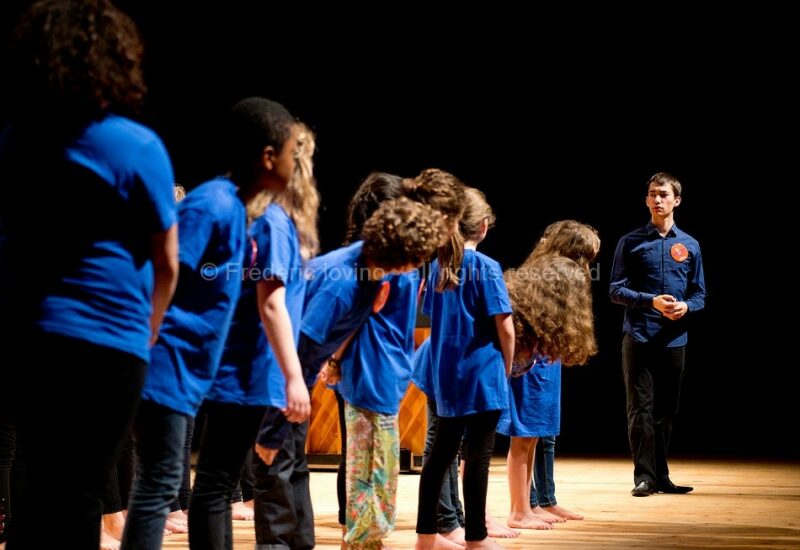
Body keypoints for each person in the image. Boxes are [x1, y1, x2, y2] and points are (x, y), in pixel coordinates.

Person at [0, 1, 179, 548]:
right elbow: (167, 261)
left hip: (30, 333)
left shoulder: (16, 138)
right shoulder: (136, 144)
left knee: (35, 480)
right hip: (109, 340)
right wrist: (147, 328)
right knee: (83, 488)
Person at [120, 97, 297, 549]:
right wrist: (147, 343)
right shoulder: (212, 205)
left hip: (187, 370)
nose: (298, 163)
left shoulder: (238, 209)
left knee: (170, 482)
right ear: (268, 155)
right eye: (293, 151)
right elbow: (163, 270)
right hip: (165, 364)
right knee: (158, 486)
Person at [251, 197, 447, 550]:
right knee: (275, 470)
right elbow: (303, 353)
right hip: (274, 373)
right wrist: (272, 430)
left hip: (298, 373)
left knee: (295, 471)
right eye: (415, 261)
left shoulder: (370, 270)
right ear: (399, 257)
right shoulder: (342, 284)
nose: (417, 269)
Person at [187, 120, 316, 549]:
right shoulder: (272, 222)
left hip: (248, 370)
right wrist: (294, 376)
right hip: (251, 370)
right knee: (216, 485)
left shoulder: (265, 220)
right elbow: (271, 302)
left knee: (217, 484)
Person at [331, 170, 464, 550]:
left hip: (385, 374)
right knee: (368, 465)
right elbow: (352, 318)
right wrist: (336, 361)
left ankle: (360, 535)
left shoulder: (400, 262)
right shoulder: (375, 265)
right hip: (367, 374)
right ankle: (358, 537)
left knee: (377, 468)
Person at [415, 187, 514, 550]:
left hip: (446, 374)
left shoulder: (441, 266)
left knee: (440, 455)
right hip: (480, 375)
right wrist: (505, 369)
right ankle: (476, 537)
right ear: (483, 227)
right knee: (477, 460)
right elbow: (505, 327)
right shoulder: (486, 268)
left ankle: (426, 536)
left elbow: (430, 313)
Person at [609, 172, 706, 497]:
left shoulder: (690, 244)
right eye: (652, 194)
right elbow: (615, 290)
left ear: (676, 200)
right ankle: (644, 477)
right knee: (640, 408)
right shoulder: (631, 241)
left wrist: (686, 307)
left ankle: (662, 476)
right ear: (646, 200)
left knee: (667, 410)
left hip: (674, 338)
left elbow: (700, 294)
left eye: (663, 194)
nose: (657, 199)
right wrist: (649, 300)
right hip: (639, 336)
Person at [499, 221, 599, 529]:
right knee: (523, 436)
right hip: (530, 364)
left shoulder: (558, 274)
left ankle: (529, 506)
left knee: (532, 437)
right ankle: (518, 511)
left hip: (543, 359)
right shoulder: (549, 274)